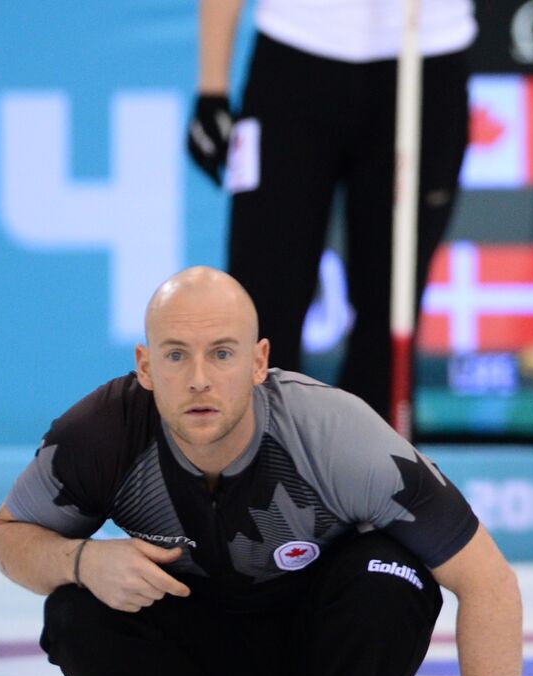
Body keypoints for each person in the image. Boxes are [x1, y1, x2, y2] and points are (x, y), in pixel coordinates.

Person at [0, 266, 530, 676]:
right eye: (175, 356)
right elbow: (9, 536)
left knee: (392, 576)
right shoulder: (99, 437)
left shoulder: (337, 436)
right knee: (73, 611)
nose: (198, 380)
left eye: (221, 354)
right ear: (144, 367)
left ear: (258, 361)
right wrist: (83, 558)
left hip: (317, 644)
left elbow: (488, 582)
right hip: (196, 654)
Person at [186, 0, 475, 421]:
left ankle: (371, 479)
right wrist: (212, 86)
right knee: (261, 306)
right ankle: (253, 477)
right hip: (295, 53)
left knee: (389, 310)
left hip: (424, 59)